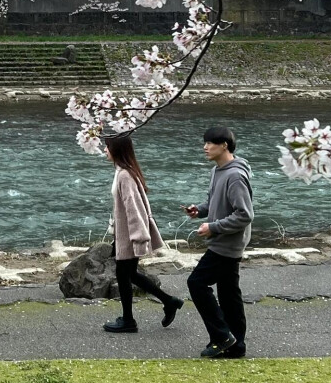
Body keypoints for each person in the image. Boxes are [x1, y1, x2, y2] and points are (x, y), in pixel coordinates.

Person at [184, 124, 254, 358]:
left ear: (224, 145)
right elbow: (215, 202)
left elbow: (245, 214)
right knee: (228, 293)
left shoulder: (235, 175)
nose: (205, 147)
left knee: (196, 283)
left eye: (210, 143)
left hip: (228, 243)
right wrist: (200, 211)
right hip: (224, 240)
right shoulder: (218, 170)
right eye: (205, 143)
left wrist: (213, 227)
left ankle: (222, 336)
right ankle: (236, 345)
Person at [103, 131, 185, 334]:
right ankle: (168, 301)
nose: (105, 150)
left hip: (131, 235)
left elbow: (135, 208)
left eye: (107, 146)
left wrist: (139, 238)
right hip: (125, 235)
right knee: (128, 274)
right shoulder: (124, 171)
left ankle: (129, 320)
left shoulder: (124, 175)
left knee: (124, 275)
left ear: (116, 150)